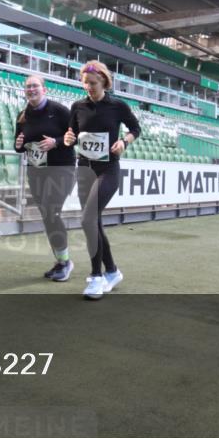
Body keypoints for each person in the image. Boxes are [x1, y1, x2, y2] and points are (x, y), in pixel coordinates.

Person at [63, 60, 140, 300]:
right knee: (93, 222)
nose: (89, 87)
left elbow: (135, 129)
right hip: (84, 170)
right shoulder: (77, 106)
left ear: (104, 81)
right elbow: (72, 134)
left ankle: (96, 277)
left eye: (93, 83)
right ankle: (113, 272)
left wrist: (124, 142)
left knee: (87, 219)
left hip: (108, 170)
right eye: (85, 83)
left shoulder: (117, 106)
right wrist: (68, 139)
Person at [14, 74, 77, 281]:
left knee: (52, 213)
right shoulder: (22, 116)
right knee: (48, 217)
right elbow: (19, 145)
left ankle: (66, 263)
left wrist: (56, 142)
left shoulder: (58, 111)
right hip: (36, 172)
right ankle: (61, 261)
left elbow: (74, 136)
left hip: (61, 169)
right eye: (28, 87)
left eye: (35, 86)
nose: (31, 89)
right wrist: (18, 145)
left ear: (44, 89)